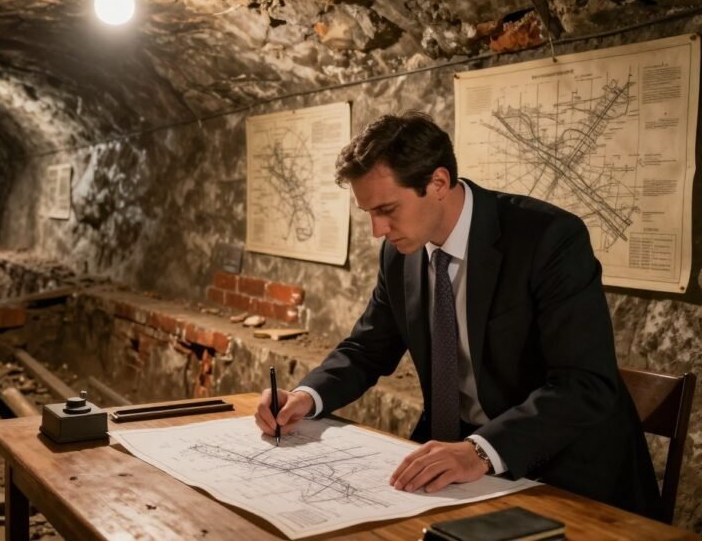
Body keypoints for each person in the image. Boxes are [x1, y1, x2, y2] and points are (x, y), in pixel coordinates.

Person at [254, 111, 662, 519]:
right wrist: (305, 397)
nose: (378, 230)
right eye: (368, 213)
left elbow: (585, 383)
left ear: (438, 183)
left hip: (568, 472)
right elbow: (367, 348)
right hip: (462, 462)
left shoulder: (549, 238)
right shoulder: (399, 254)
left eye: (387, 209)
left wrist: (479, 452)